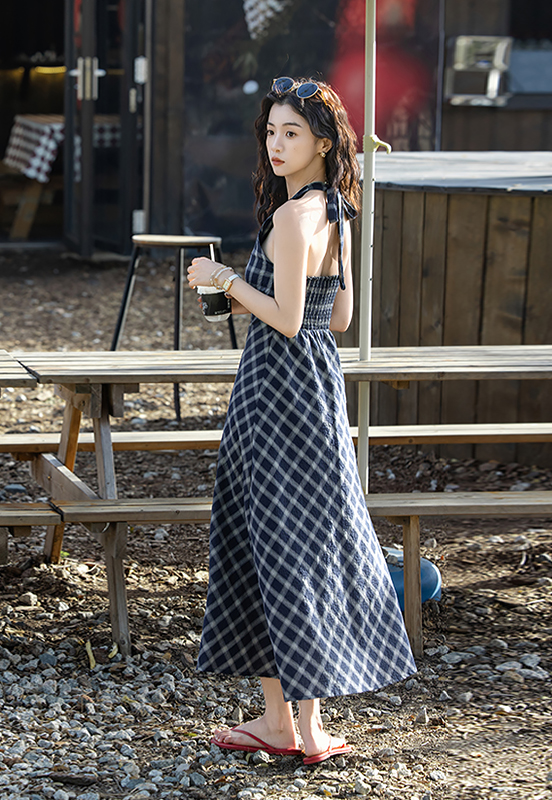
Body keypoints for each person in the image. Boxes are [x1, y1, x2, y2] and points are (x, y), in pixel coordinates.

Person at [186, 76, 416, 765]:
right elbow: (334, 317)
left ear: (321, 142)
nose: (277, 144)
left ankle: (280, 724)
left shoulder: (290, 218)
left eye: (292, 133)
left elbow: (285, 320)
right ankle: (305, 728)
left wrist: (224, 281)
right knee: (309, 543)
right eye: (271, 132)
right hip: (318, 389)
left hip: (272, 392)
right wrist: (247, 298)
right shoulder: (335, 211)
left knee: (263, 542)